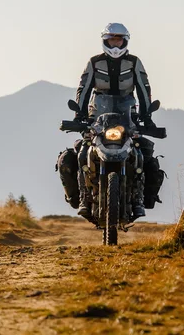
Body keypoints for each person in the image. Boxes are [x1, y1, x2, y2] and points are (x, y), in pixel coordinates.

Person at [57, 23, 165, 218]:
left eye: (119, 39)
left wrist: (147, 117)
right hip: (98, 118)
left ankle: (140, 199)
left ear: (125, 41)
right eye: (112, 39)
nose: (115, 43)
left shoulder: (134, 63)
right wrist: (79, 116)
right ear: (105, 40)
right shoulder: (94, 62)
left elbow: (143, 89)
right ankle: (83, 198)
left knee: (143, 154)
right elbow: (84, 89)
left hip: (127, 118)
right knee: (81, 152)